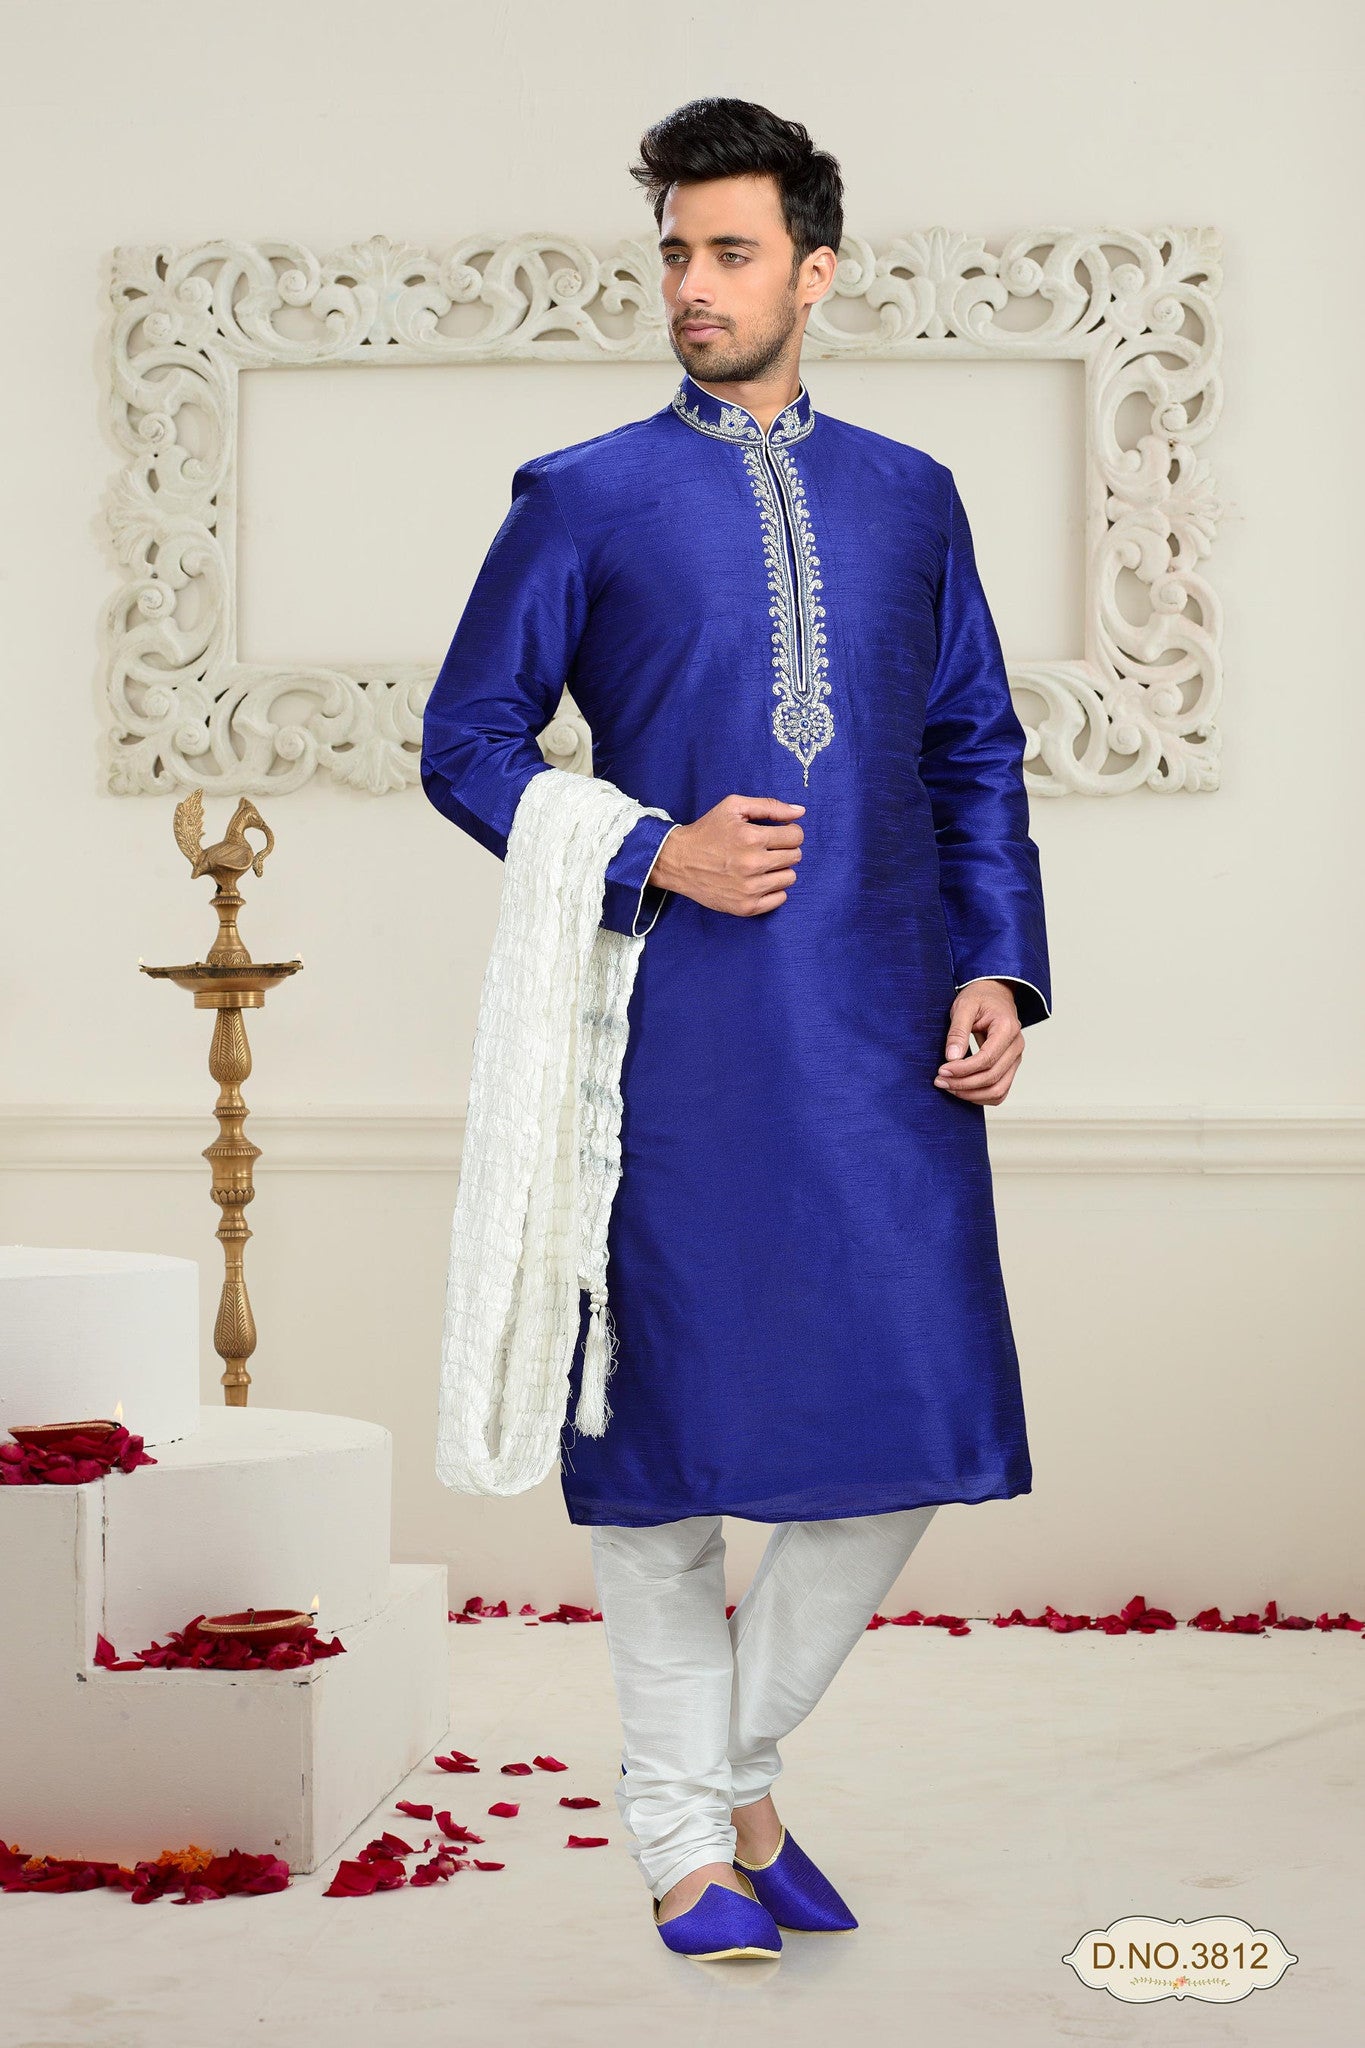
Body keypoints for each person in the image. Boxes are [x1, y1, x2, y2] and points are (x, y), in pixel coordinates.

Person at [422, 96, 1052, 1962]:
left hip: (883, 1037)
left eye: (730, 252)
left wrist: (997, 970)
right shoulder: (584, 495)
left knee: (917, 1422)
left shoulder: (910, 496)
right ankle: (685, 1845)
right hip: (672, 1044)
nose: (692, 286)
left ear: (813, 270)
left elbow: (971, 750)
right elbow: (465, 742)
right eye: (675, 255)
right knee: (662, 1446)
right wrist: (647, 848)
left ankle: (728, 1778)